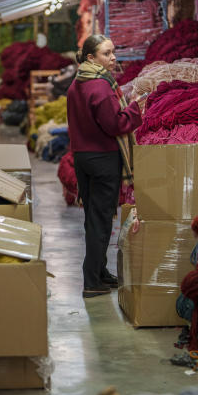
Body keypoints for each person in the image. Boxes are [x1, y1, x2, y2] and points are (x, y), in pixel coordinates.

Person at [66, 35, 143, 298]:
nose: (113, 59)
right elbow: (115, 125)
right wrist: (135, 109)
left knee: (94, 217)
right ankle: (91, 281)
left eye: (113, 53)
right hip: (102, 158)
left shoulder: (78, 83)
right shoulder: (100, 87)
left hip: (83, 157)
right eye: (106, 54)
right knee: (101, 219)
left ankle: (100, 272)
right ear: (91, 58)